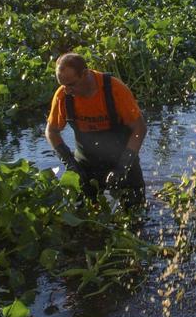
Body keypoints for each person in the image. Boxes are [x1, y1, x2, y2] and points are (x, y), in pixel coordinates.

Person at [44, 53, 147, 206]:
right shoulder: (63, 96)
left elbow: (140, 128)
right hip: (86, 166)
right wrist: (70, 163)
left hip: (123, 161)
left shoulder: (115, 89)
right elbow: (51, 131)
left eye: (71, 84)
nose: (67, 90)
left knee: (137, 212)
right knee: (80, 215)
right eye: (63, 85)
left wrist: (122, 167)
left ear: (85, 74)